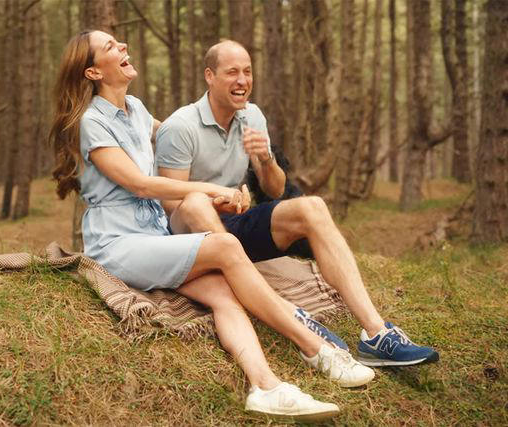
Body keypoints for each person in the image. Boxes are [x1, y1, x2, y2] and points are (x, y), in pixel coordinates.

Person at [49, 30, 377, 421]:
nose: (122, 47)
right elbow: (139, 184)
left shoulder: (135, 108)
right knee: (225, 248)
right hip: (118, 243)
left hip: (155, 238)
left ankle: (265, 387)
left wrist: (234, 182)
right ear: (92, 72)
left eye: (120, 43)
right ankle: (316, 348)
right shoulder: (91, 123)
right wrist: (209, 189)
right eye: (111, 48)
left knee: (223, 292)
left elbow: (175, 133)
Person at [155, 40, 439, 367]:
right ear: (209, 76)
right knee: (193, 202)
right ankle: (289, 313)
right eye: (232, 72)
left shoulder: (253, 116)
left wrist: (265, 159)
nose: (242, 81)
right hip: (192, 236)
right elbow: (170, 202)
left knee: (312, 206)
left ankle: (376, 333)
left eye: (247, 72)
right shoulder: (181, 126)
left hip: (235, 222)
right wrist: (218, 198)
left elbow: (275, 190)